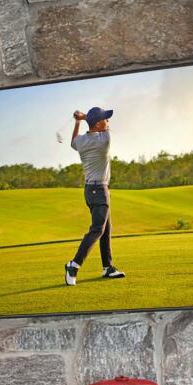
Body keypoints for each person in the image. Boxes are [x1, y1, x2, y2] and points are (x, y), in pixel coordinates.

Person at [64, 106, 127, 286]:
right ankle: (74, 265)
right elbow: (105, 128)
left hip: (89, 191)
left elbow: (73, 141)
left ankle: (108, 267)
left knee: (106, 229)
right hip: (100, 190)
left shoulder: (81, 141)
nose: (108, 122)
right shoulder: (104, 140)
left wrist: (79, 121)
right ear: (99, 124)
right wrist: (84, 117)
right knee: (97, 230)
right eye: (105, 119)